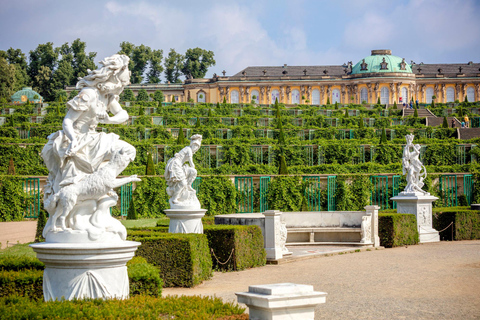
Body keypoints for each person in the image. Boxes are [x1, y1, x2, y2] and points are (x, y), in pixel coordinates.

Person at [42, 54, 136, 215]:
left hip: (94, 137)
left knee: (128, 151)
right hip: (77, 137)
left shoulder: (108, 96)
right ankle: (86, 193)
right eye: (121, 83)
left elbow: (123, 115)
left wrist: (109, 120)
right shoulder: (88, 94)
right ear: (112, 77)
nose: (122, 87)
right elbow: (67, 122)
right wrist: (72, 140)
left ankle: (102, 184)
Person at [164, 134, 202, 205]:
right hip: (175, 165)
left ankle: (188, 186)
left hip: (180, 166)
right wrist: (192, 166)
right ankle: (175, 198)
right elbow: (191, 162)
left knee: (193, 172)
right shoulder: (188, 149)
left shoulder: (189, 150)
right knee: (182, 183)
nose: (196, 148)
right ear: (192, 145)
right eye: (195, 146)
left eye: (197, 147)